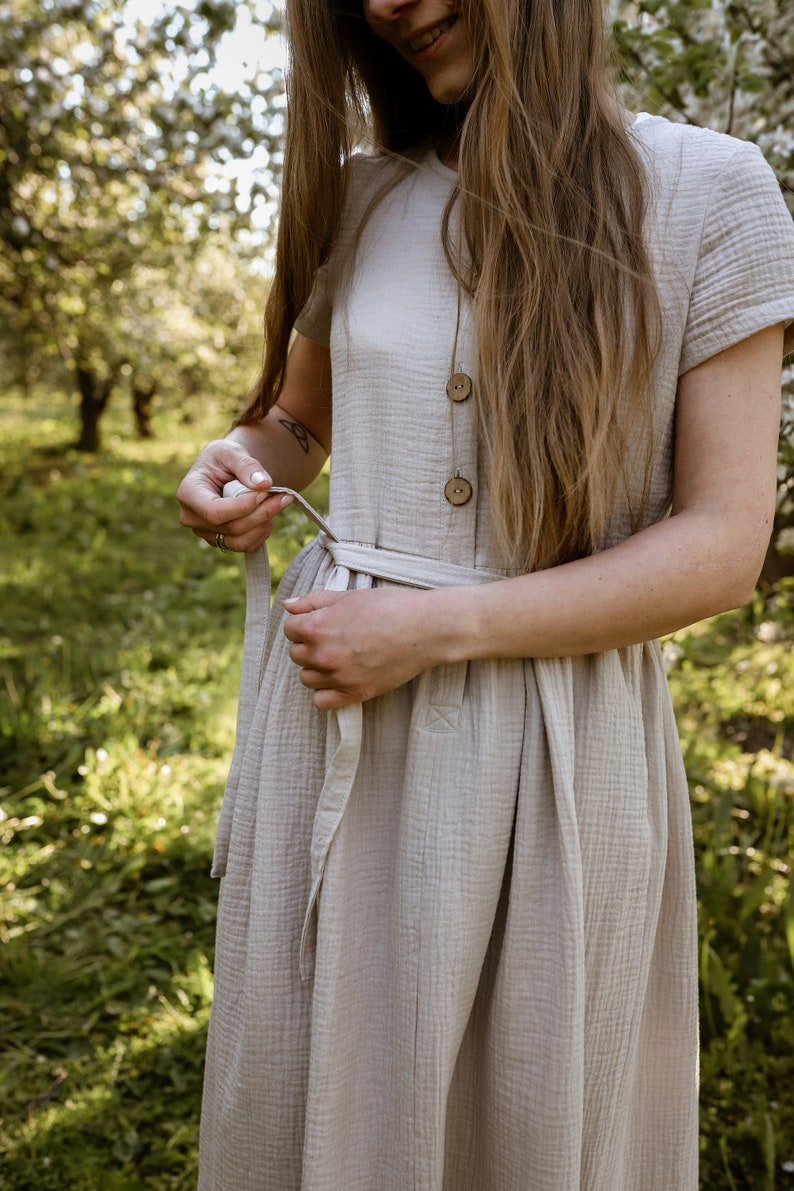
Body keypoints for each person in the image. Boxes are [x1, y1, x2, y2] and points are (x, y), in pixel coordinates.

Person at [177, 0, 794, 1186]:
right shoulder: (360, 197)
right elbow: (297, 423)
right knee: (324, 1081)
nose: (389, 6)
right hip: (337, 714)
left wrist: (431, 628)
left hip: (558, 745)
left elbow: (721, 545)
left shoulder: (709, 192)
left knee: (533, 1103)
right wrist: (236, 467)